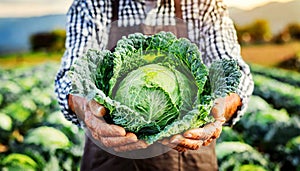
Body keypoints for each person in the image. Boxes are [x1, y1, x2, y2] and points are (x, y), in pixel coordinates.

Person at [55, 0, 254, 170]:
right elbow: (73, 74)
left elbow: (232, 71)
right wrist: (86, 108)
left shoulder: (203, 3)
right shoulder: (92, 4)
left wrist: (221, 107)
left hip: (190, 155)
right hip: (109, 158)